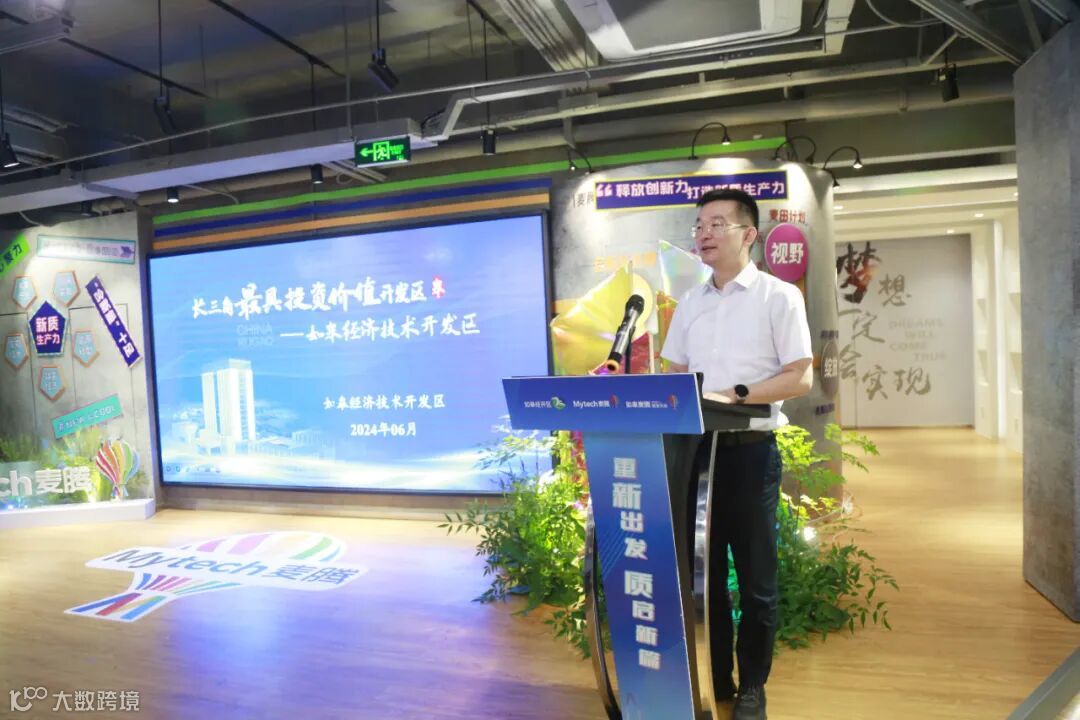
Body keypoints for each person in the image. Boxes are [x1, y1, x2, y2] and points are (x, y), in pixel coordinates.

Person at [660, 188, 813, 720]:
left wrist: (738, 396)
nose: (703, 233)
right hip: (696, 454)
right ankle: (718, 678)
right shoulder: (690, 303)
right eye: (699, 225)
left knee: (755, 580)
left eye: (717, 224)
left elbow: (799, 376)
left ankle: (752, 686)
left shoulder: (778, 296)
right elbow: (676, 376)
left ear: (748, 234)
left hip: (749, 454)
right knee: (704, 577)